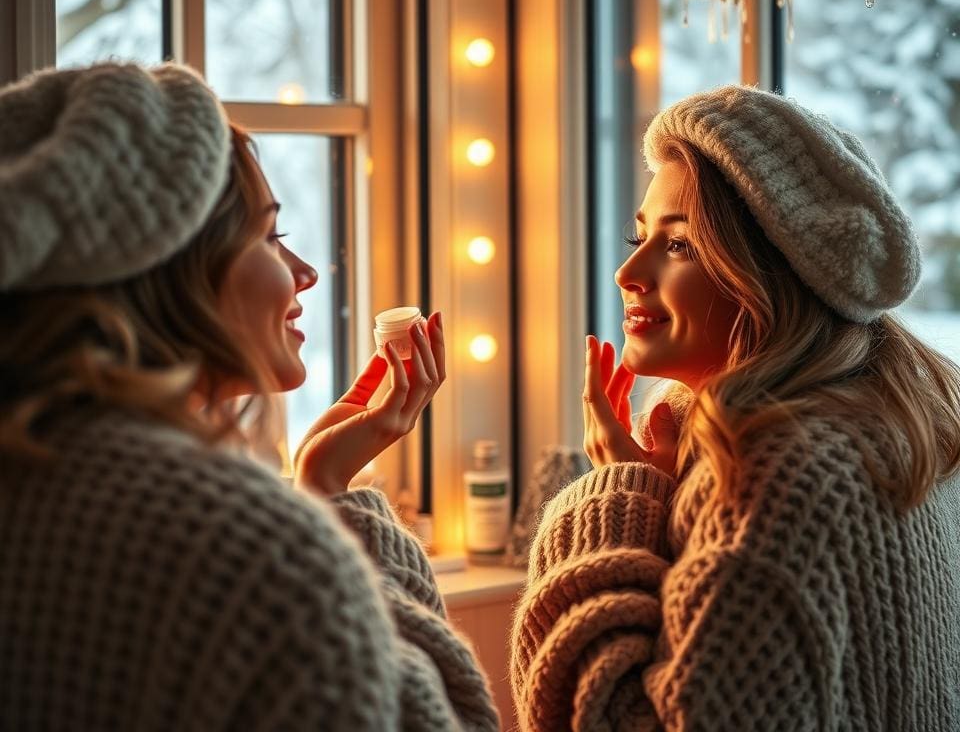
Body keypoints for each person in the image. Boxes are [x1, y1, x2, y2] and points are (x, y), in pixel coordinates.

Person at [0, 62, 498, 731]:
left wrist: (322, 479)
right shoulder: (251, 548)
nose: (306, 274)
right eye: (269, 235)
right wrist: (333, 505)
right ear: (176, 269)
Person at [510, 85, 960, 731]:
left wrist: (614, 492)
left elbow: (601, 718)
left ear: (766, 276)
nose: (628, 271)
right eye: (640, 236)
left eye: (679, 245)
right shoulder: (905, 422)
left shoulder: (777, 473)